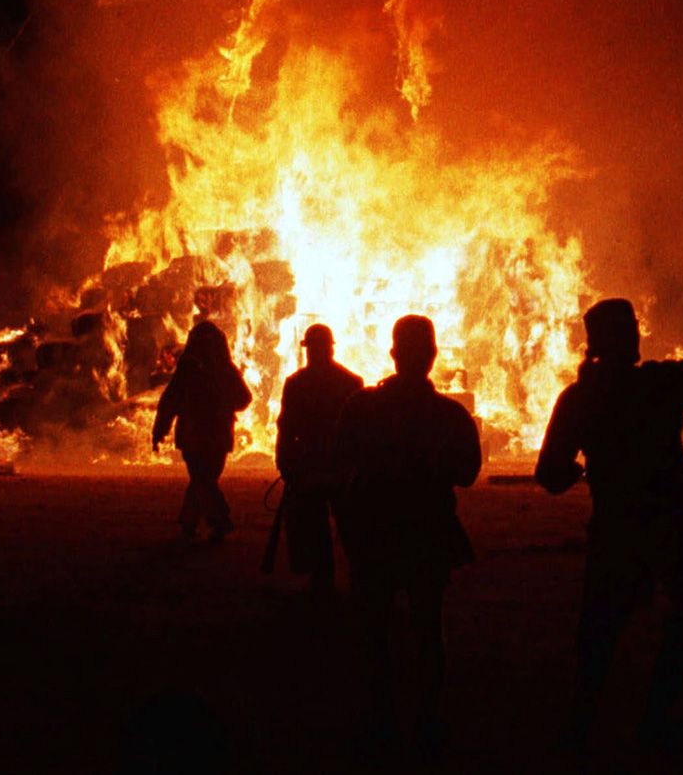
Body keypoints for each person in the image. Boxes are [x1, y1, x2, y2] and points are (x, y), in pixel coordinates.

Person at [535, 283, 683, 755]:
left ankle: (580, 726)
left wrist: (584, 468)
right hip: (673, 523)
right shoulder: (658, 384)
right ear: (627, 339)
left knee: (600, 631)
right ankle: (655, 717)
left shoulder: (578, 398)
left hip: (616, 529)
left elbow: (550, 475)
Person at [333, 314, 482, 757]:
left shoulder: (361, 407)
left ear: (394, 354)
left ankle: (380, 721)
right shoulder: (451, 415)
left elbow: (339, 464)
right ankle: (426, 720)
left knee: (374, 633)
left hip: (374, 536)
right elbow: (468, 474)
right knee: (427, 629)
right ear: (433, 356)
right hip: (427, 534)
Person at [274, 322, 363, 594]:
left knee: (321, 525)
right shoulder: (350, 382)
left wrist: (286, 461)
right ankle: (357, 574)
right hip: (335, 465)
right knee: (347, 524)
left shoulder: (297, 383)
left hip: (315, 464)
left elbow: (286, 428)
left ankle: (325, 578)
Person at [152, 319, 252, 542]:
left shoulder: (192, 369)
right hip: (212, 436)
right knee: (204, 479)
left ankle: (204, 521)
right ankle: (204, 522)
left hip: (195, 435)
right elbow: (243, 398)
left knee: (202, 479)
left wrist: (160, 431)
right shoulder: (222, 369)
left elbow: (170, 402)